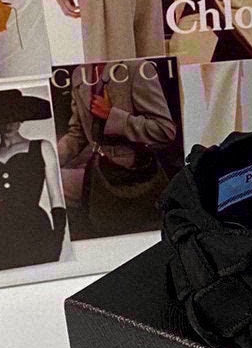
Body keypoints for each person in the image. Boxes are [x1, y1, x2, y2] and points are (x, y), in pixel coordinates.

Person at [57, 59, 177, 235]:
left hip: (134, 177)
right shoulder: (79, 74)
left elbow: (165, 131)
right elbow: (77, 134)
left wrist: (113, 116)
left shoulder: (137, 68)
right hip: (98, 173)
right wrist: (45, 159)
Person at [0, 88, 66, 271]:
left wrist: (58, 238)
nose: (8, 123)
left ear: (22, 118)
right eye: (1, 117)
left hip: (36, 226)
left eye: (13, 116)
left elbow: (57, 198)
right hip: (1, 232)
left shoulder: (41, 147)